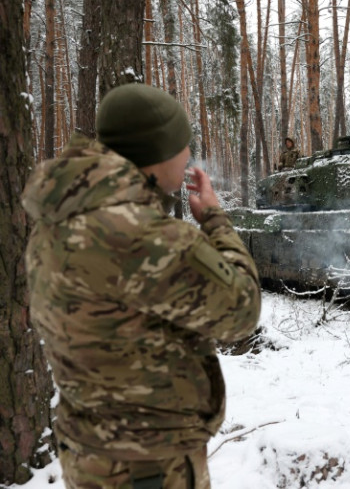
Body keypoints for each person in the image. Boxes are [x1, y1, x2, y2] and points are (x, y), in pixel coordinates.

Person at [21, 83, 261, 489]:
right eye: (182, 146)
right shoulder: (141, 237)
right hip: (147, 465)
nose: (188, 156)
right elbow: (242, 310)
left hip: (93, 453)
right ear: (156, 156)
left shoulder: (61, 218)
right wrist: (216, 220)